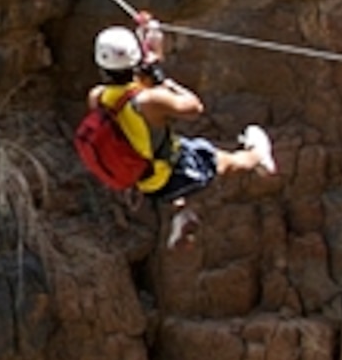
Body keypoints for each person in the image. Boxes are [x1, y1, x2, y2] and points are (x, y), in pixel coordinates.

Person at [87, 21, 275, 226]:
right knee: (227, 162)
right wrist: (164, 82)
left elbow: (127, 97)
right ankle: (258, 156)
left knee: (173, 161)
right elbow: (195, 108)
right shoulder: (151, 100)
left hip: (142, 180)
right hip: (171, 172)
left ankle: (182, 213)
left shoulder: (97, 97)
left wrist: (150, 60)